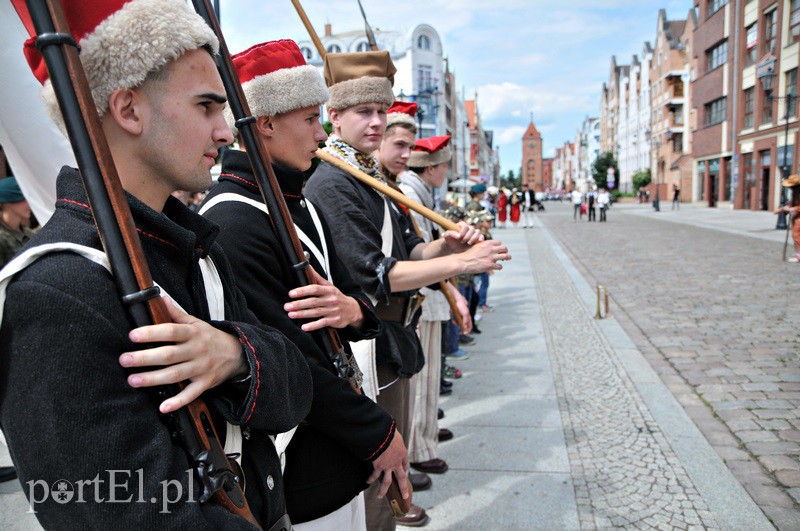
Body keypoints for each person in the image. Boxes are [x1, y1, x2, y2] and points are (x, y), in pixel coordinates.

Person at [3, 1, 313, 528]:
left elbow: (294, 389)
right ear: (128, 110)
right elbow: (112, 511)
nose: (225, 131)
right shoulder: (55, 287)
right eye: (206, 107)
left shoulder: (194, 247)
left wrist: (234, 355)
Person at [199, 39, 408, 529]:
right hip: (301, 459)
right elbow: (292, 360)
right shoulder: (231, 220)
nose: (321, 133)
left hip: (343, 438)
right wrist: (377, 434)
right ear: (266, 123)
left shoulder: (300, 202)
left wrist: (355, 312)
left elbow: (348, 298)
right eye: (312, 119)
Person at [303, 50, 509, 531]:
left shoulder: (370, 176)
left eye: (381, 111)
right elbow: (376, 274)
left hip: (392, 336)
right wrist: (463, 262)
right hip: (365, 342)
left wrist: (444, 246)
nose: (377, 123)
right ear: (334, 116)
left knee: (389, 462)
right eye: (363, 112)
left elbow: (410, 253)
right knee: (378, 467)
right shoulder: (334, 181)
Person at [397, 135, 472, 492]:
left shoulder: (419, 191)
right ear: (429, 168)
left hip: (430, 292)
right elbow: (421, 252)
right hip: (424, 296)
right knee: (421, 382)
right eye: (443, 166)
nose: (445, 172)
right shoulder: (411, 193)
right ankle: (418, 445)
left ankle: (424, 437)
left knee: (426, 381)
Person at [0, 176, 35, 268]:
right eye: (23, 199)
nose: (29, 203)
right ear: (8, 202)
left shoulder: (28, 234)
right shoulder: (2, 239)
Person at [774, 175, 800, 263]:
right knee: (796, 236)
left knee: (797, 236)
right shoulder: (795, 194)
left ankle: (798, 256)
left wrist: (790, 209)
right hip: (796, 217)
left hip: (798, 218)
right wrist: (781, 209)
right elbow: (790, 203)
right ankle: (798, 254)